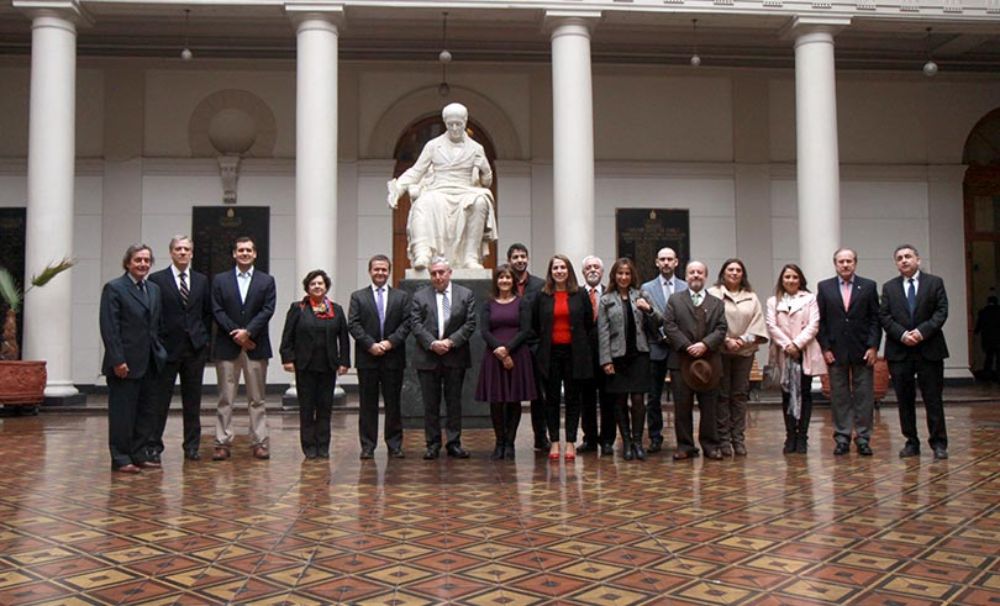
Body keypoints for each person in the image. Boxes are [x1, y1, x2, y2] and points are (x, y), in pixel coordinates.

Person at [387, 103, 498, 270]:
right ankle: (423, 252)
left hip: (465, 190)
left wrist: (485, 168)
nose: (454, 128)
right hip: (439, 189)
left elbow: (487, 182)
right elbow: (417, 171)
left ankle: (470, 256)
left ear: (465, 121)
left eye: (458, 124)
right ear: (445, 123)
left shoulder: (476, 148)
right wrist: (399, 188)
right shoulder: (433, 145)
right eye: (450, 124)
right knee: (423, 203)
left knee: (481, 201)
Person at [99, 244, 167, 473]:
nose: (143, 264)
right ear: (128, 262)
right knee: (123, 414)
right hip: (125, 364)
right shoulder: (115, 288)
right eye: (138, 260)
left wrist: (160, 353)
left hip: (150, 362)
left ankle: (139, 454)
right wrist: (118, 360)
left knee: (146, 412)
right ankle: (121, 457)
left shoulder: (154, 289)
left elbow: (156, 325)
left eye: (147, 260)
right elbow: (110, 328)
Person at [879, 245, 950, 460]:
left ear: (917, 260)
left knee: (933, 398)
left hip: (929, 349)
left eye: (908, 256)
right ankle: (911, 442)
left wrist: (921, 332)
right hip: (900, 351)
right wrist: (902, 335)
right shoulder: (889, 288)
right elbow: (884, 316)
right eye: (899, 258)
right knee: (904, 399)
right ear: (896, 263)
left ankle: (938, 443)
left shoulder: (934, 283)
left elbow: (941, 311)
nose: (904, 260)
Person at [211, 236, 276, 461]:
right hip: (227, 347)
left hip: (255, 347)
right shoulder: (220, 280)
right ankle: (222, 442)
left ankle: (259, 442)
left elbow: (268, 310)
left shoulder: (266, 281)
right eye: (241, 250)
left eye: (249, 250)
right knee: (225, 398)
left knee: (257, 399)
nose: (245, 253)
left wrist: (248, 332)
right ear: (234, 254)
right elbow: (217, 310)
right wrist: (237, 335)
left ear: (255, 254)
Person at [147, 235, 212, 461]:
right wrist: (157, 345)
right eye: (178, 249)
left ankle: (192, 446)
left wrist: (203, 340)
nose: (182, 252)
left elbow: (206, 313)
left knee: (193, 401)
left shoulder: (201, 280)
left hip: (194, 350)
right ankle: (154, 445)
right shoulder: (157, 279)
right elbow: (153, 314)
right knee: (160, 401)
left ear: (192, 253)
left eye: (186, 249)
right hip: (167, 349)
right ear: (171, 252)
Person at [816, 248, 882, 456]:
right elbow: (821, 321)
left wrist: (873, 346)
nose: (845, 265)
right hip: (835, 351)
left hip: (862, 350)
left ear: (855, 263)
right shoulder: (825, 287)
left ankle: (863, 437)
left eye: (849, 261)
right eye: (841, 261)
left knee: (864, 396)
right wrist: (825, 348)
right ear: (835, 264)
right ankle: (842, 437)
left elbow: (875, 319)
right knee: (839, 396)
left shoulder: (869, 286)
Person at [410, 257, 477, 459]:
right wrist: (433, 343)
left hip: (455, 356)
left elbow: (470, 323)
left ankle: (454, 443)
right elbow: (415, 324)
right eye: (433, 273)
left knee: (454, 402)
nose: (438, 277)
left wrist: (450, 342)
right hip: (427, 357)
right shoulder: (420, 296)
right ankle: (432, 444)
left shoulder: (466, 295)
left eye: (441, 272)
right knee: (430, 404)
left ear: (449, 273)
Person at [280, 270, 350, 460]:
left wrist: (344, 361)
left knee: (325, 408)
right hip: (305, 366)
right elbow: (287, 336)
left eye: (320, 283)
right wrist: (287, 358)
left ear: (326, 287)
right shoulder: (298, 308)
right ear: (307, 288)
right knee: (307, 408)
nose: (317, 286)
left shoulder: (336, 309)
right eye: (313, 284)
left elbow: (343, 338)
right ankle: (309, 446)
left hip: (328, 366)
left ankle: (323, 446)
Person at [348, 254, 411, 460]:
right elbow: (353, 324)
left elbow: (406, 324)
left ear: (389, 271)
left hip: (393, 358)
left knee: (393, 404)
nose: (380, 273)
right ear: (370, 271)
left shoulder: (401, 297)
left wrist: (389, 342)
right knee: (368, 404)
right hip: (367, 359)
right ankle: (367, 446)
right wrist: (371, 345)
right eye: (377, 269)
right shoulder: (358, 297)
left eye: (384, 269)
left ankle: (394, 445)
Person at [532, 254, 594, 461]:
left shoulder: (580, 294)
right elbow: (534, 326)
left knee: (573, 399)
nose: (559, 271)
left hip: (574, 353)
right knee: (551, 400)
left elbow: (587, 323)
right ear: (550, 272)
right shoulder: (542, 296)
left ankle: (570, 442)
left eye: (563, 268)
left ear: (569, 271)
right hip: (550, 354)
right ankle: (555, 442)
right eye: (555, 268)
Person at [663, 261, 728, 461]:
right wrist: (686, 345)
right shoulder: (675, 300)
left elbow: (721, 329)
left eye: (700, 272)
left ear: (705, 276)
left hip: (709, 363)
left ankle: (710, 445)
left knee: (709, 407)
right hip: (681, 361)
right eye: (692, 272)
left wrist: (705, 345)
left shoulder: (717, 303)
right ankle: (685, 446)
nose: (696, 276)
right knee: (682, 407)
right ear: (686, 276)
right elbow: (669, 325)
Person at [598, 258, 659, 461]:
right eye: (620, 273)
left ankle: (637, 442)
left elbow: (659, 321)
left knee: (639, 400)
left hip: (639, 354)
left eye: (627, 273)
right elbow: (603, 333)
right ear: (614, 276)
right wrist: (606, 360)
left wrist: (648, 309)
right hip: (617, 357)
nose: (623, 277)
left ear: (632, 276)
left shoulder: (642, 295)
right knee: (620, 400)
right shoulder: (606, 300)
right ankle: (625, 442)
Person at [475, 264, 537, 460]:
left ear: (513, 281)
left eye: (508, 278)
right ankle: (499, 441)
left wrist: (508, 349)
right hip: (494, 356)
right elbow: (484, 331)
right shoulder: (488, 304)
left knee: (513, 400)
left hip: (517, 355)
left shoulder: (522, 302)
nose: (504, 281)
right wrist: (500, 351)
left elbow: (525, 330)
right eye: (501, 277)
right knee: (496, 401)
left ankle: (510, 443)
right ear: (496, 281)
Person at [707, 258, 768, 457]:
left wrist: (741, 340)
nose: (734, 273)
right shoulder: (713, 294)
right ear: (723, 272)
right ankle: (723, 439)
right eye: (730, 269)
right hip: (721, 352)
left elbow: (758, 324)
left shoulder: (751, 297)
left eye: (738, 270)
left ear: (743, 274)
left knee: (740, 395)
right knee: (722, 396)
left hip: (744, 352)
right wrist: (725, 340)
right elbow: (708, 321)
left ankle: (738, 439)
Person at [765, 264, 826, 454]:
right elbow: (771, 325)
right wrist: (788, 345)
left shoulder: (809, 299)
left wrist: (797, 345)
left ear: (800, 280)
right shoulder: (773, 301)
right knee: (786, 394)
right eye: (787, 277)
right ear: (781, 280)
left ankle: (802, 437)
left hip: (804, 352)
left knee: (804, 393)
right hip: (784, 353)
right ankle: (790, 435)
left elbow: (814, 324)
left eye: (794, 277)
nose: (791, 280)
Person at [641, 247, 687, 453]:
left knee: (683, 396)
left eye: (670, 259)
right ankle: (655, 436)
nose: (666, 263)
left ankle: (684, 438)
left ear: (676, 262)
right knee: (653, 396)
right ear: (656, 263)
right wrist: (663, 334)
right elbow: (646, 318)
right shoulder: (647, 288)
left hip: (680, 349)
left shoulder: (686, 287)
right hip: (656, 347)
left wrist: (676, 338)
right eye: (662, 259)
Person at [508, 242, 549, 452]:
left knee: (538, 396)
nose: (520, 260)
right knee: (512, 395)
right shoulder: (504, 283)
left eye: (523, 256)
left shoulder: (540, 285)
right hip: (511, 348)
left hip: (534, 346)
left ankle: (540, 438)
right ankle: (509, 440)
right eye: (515, 257)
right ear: (509, 261)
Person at [580, 255, 616, 456]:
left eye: (596, 267)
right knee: (587, 400)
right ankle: (590, 439)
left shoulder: (610, 295)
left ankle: (608, 440)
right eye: (588, 267)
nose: (593, 270)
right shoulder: (576, 294)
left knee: (608, 399)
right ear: (583, 272)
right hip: (585, 357)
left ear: (602, 272)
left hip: (608, 355)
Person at [974, 295, 1000, 380]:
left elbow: (979, 326)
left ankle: (987, 375)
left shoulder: (983, 312)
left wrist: (975, 332)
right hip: (998, 338)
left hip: (987, 339)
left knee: (989, 357)